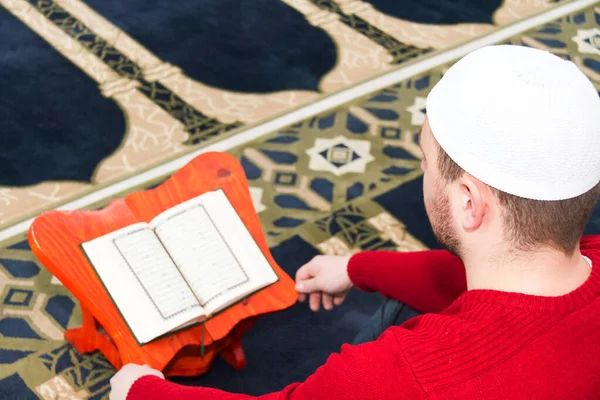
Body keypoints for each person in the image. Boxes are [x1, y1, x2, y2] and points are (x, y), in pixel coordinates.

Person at [109, 44, 600, 399]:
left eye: (426, 160)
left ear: (470, 202)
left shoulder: (399, 374)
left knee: (394, 326)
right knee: (401, 310)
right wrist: (358, 268)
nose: (423, 171)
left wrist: (141, 390)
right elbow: (496, 295)